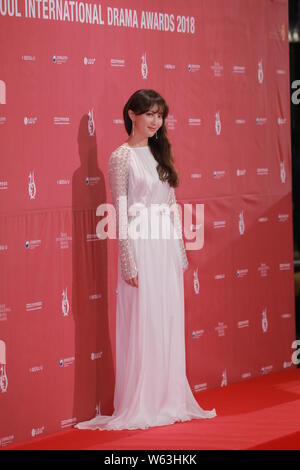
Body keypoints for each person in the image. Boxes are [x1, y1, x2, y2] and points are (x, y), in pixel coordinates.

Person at [74, 89, 216, 431]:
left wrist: (180, 252)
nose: (156, 121)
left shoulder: (160, 152)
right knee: (142, 320)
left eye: (160, 114)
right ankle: (143, 401)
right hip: (139, 243)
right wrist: (127, 259)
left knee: (166, 319)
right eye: (150, 113)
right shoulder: (120, 157)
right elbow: (120, 209)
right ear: (132, 114)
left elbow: (170, 205)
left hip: (164, 246)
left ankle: (168, 398)